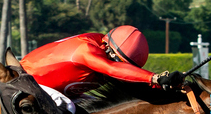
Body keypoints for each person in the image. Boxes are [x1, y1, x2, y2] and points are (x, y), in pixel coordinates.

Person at [20, 26, 183, 103]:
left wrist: (167, 86)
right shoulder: (86, 49)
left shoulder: (108, 47)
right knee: (68, 108)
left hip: (56, 90)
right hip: (27, 82)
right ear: (107, 47)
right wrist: (154, 77)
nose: (120, 66)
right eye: (117, 60)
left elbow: (129, 80)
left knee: (101, 108)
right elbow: (112, 69)